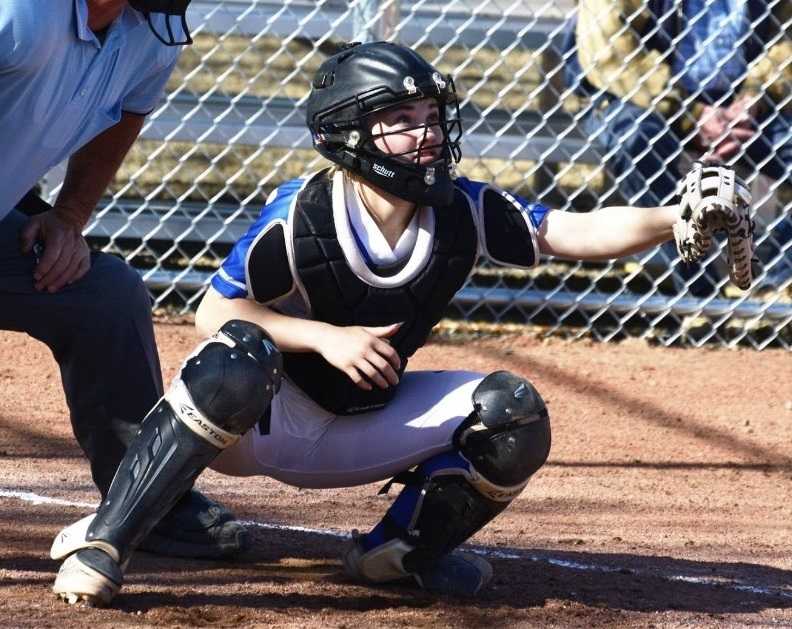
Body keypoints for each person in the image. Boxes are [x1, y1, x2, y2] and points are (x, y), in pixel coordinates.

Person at [49, 41, 732, 607]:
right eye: (403, 118)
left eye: (433, 114)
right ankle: (108, 538)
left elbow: (568, 230)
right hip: (262, 422)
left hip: (362, 424)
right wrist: (325, 337)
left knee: (513, 412)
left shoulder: (461, 208)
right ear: (348, 133)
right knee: (237, 354)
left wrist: (673, 220)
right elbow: (213, 309)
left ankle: (397, 554)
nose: (429, 132)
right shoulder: (305, 213)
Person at [0, 0, 247, 559]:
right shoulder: (21, 13)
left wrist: (67, 218)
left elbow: (128, 113)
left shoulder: (151, 32)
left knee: (103, 297)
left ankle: (144, 498)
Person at [563, 0, 791, 294]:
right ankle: (699, 295)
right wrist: (691, 114)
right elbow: (611, 56)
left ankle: (779, 286)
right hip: (639, 98)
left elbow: (786, 42)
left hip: (745, 106)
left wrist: (753, 96)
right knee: (637, 143)